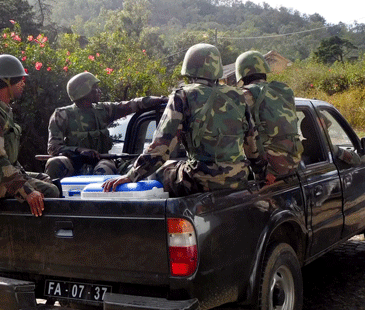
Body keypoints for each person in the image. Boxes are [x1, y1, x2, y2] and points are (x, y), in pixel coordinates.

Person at [103, 43, 267, 196]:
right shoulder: (238, 96)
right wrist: (260, 177)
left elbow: (161, 148)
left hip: (200, 179)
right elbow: (253, 144)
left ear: (190, 69)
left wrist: (131, 175)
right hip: (238, 178)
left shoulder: (183, 95)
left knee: (160, 171)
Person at [0, 54, 59, 217]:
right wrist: (27, 191)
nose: (23, 83)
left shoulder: (2, 110)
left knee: (46, 179)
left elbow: (9, 159)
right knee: (51, 191)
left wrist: (23, 178)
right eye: (20, 79)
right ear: (8, 82)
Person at [45, 72, 166, 179]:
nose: (99, 91)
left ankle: (99, 202)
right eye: (95, 88)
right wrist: (78, 150)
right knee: (55, 163)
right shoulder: (62, 115)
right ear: (84, 91)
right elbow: (53, 148)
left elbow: (132, 105)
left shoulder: (104, 109)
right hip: (73, 161)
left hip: (101, 159)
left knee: (105, 168)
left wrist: (159, 100)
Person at [235, 50, 302, 183]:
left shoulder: (244, 96)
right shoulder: (284, 90)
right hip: (293, 161)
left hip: (268, 168)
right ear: (264, 70)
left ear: (242, 75)